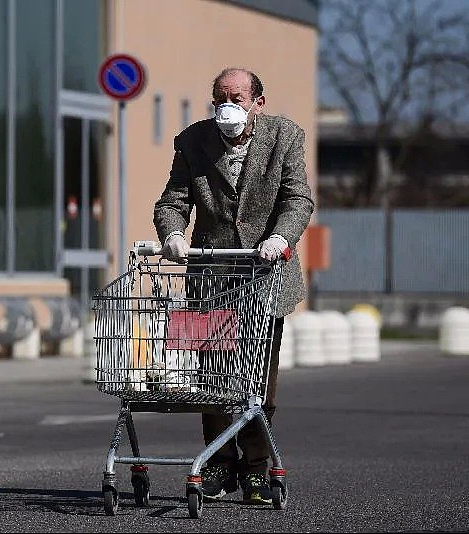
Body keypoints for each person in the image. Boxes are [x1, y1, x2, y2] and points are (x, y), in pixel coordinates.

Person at [153, 67, 314, 504]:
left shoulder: (284, 136)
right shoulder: (192, 140)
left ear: (258, 102)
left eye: (238, 96)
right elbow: (174, 199)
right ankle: (219, 463)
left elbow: (298, 197)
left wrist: (281, 237)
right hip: (212, 274)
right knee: (211, 375)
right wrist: (172, 234)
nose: (229, 104)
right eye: (220, 96)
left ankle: (256, 468)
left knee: (259, 376)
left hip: (267, 273)